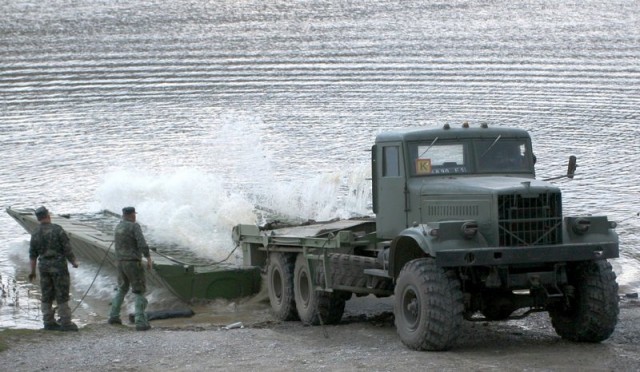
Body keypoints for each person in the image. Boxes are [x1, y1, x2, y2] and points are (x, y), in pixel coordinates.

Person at [28, 206, 79, 331]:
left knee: (46, 294)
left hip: (43, 267)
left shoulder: (35, 233)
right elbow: (67, 249)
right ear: (48, 215)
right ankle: (66, 323)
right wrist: (74, 262)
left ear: (38, 218)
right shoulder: (57, 230)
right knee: (62, 294)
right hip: (59, 267)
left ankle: (48, 322)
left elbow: (32, 255)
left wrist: (32, 271)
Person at [108, 206, 153, 331]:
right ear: (132, 215)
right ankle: (140, 321)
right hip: (133, 263)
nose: (135, 216)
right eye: (134, 214)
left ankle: (113, 316)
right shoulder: (134, 226)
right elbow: (142, 243)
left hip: (120, 262)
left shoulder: (118, 227)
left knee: (122, 289)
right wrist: (148, 258)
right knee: (139, 291)